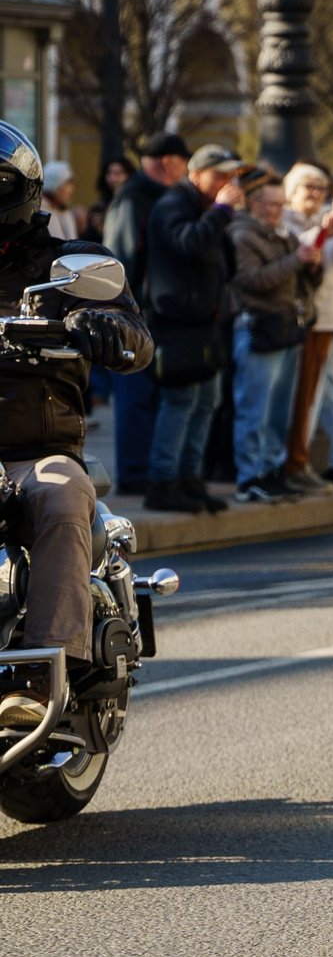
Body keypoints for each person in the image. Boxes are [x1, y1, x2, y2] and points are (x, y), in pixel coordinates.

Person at [0, 123, 153, 730]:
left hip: (34, 449)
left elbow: (134, 336)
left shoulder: (64, 262)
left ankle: (43, 676)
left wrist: (105, 327)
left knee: (61, 495)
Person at [144, 145, 246, 513]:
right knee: (182, 402)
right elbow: (189, 242)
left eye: (231, 177)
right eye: (220, 176)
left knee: (207, 403)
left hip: (206, 323)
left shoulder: (204, 208)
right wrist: (221, 211)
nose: (227, 184)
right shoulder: (173, 204)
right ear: (195, 175)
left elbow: (220, 260)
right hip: (178, 324)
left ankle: (189, 478)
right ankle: (163, 481)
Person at [104, 132, 189, 498]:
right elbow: (120, 263)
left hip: (153, 316)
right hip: (133, 318)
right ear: (169, 162)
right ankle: (135, 472)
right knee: (136, 398)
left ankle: (146, 469)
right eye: (184, 162)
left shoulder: (154, 198)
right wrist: (130, 313)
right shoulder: (133, 199)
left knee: (150, 398)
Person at [226, 170, 318, 502]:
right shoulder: (242, 234)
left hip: (287, 326)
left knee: (279, 410)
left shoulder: (280, 233)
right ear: (253, 202)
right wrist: (296, 260)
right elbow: (252, 280)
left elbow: (301, 278)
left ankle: (270, 469)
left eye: (282, 204)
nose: (278, 210)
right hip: (258, 328)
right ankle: (250, 476)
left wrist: (311, 265)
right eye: (272, 203)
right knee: (255, 408)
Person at [280, 164, 333, 492]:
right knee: (314, 390)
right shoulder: (283, 219)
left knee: (322, 389)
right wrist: (321, 232)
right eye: (309, 188)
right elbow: (300, 254)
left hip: (325, 317)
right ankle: (305, 461)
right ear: (292, 192)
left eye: (320, 188)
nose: (316, 194)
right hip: (294, 316)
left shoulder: (329, 218)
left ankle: (331, 462)